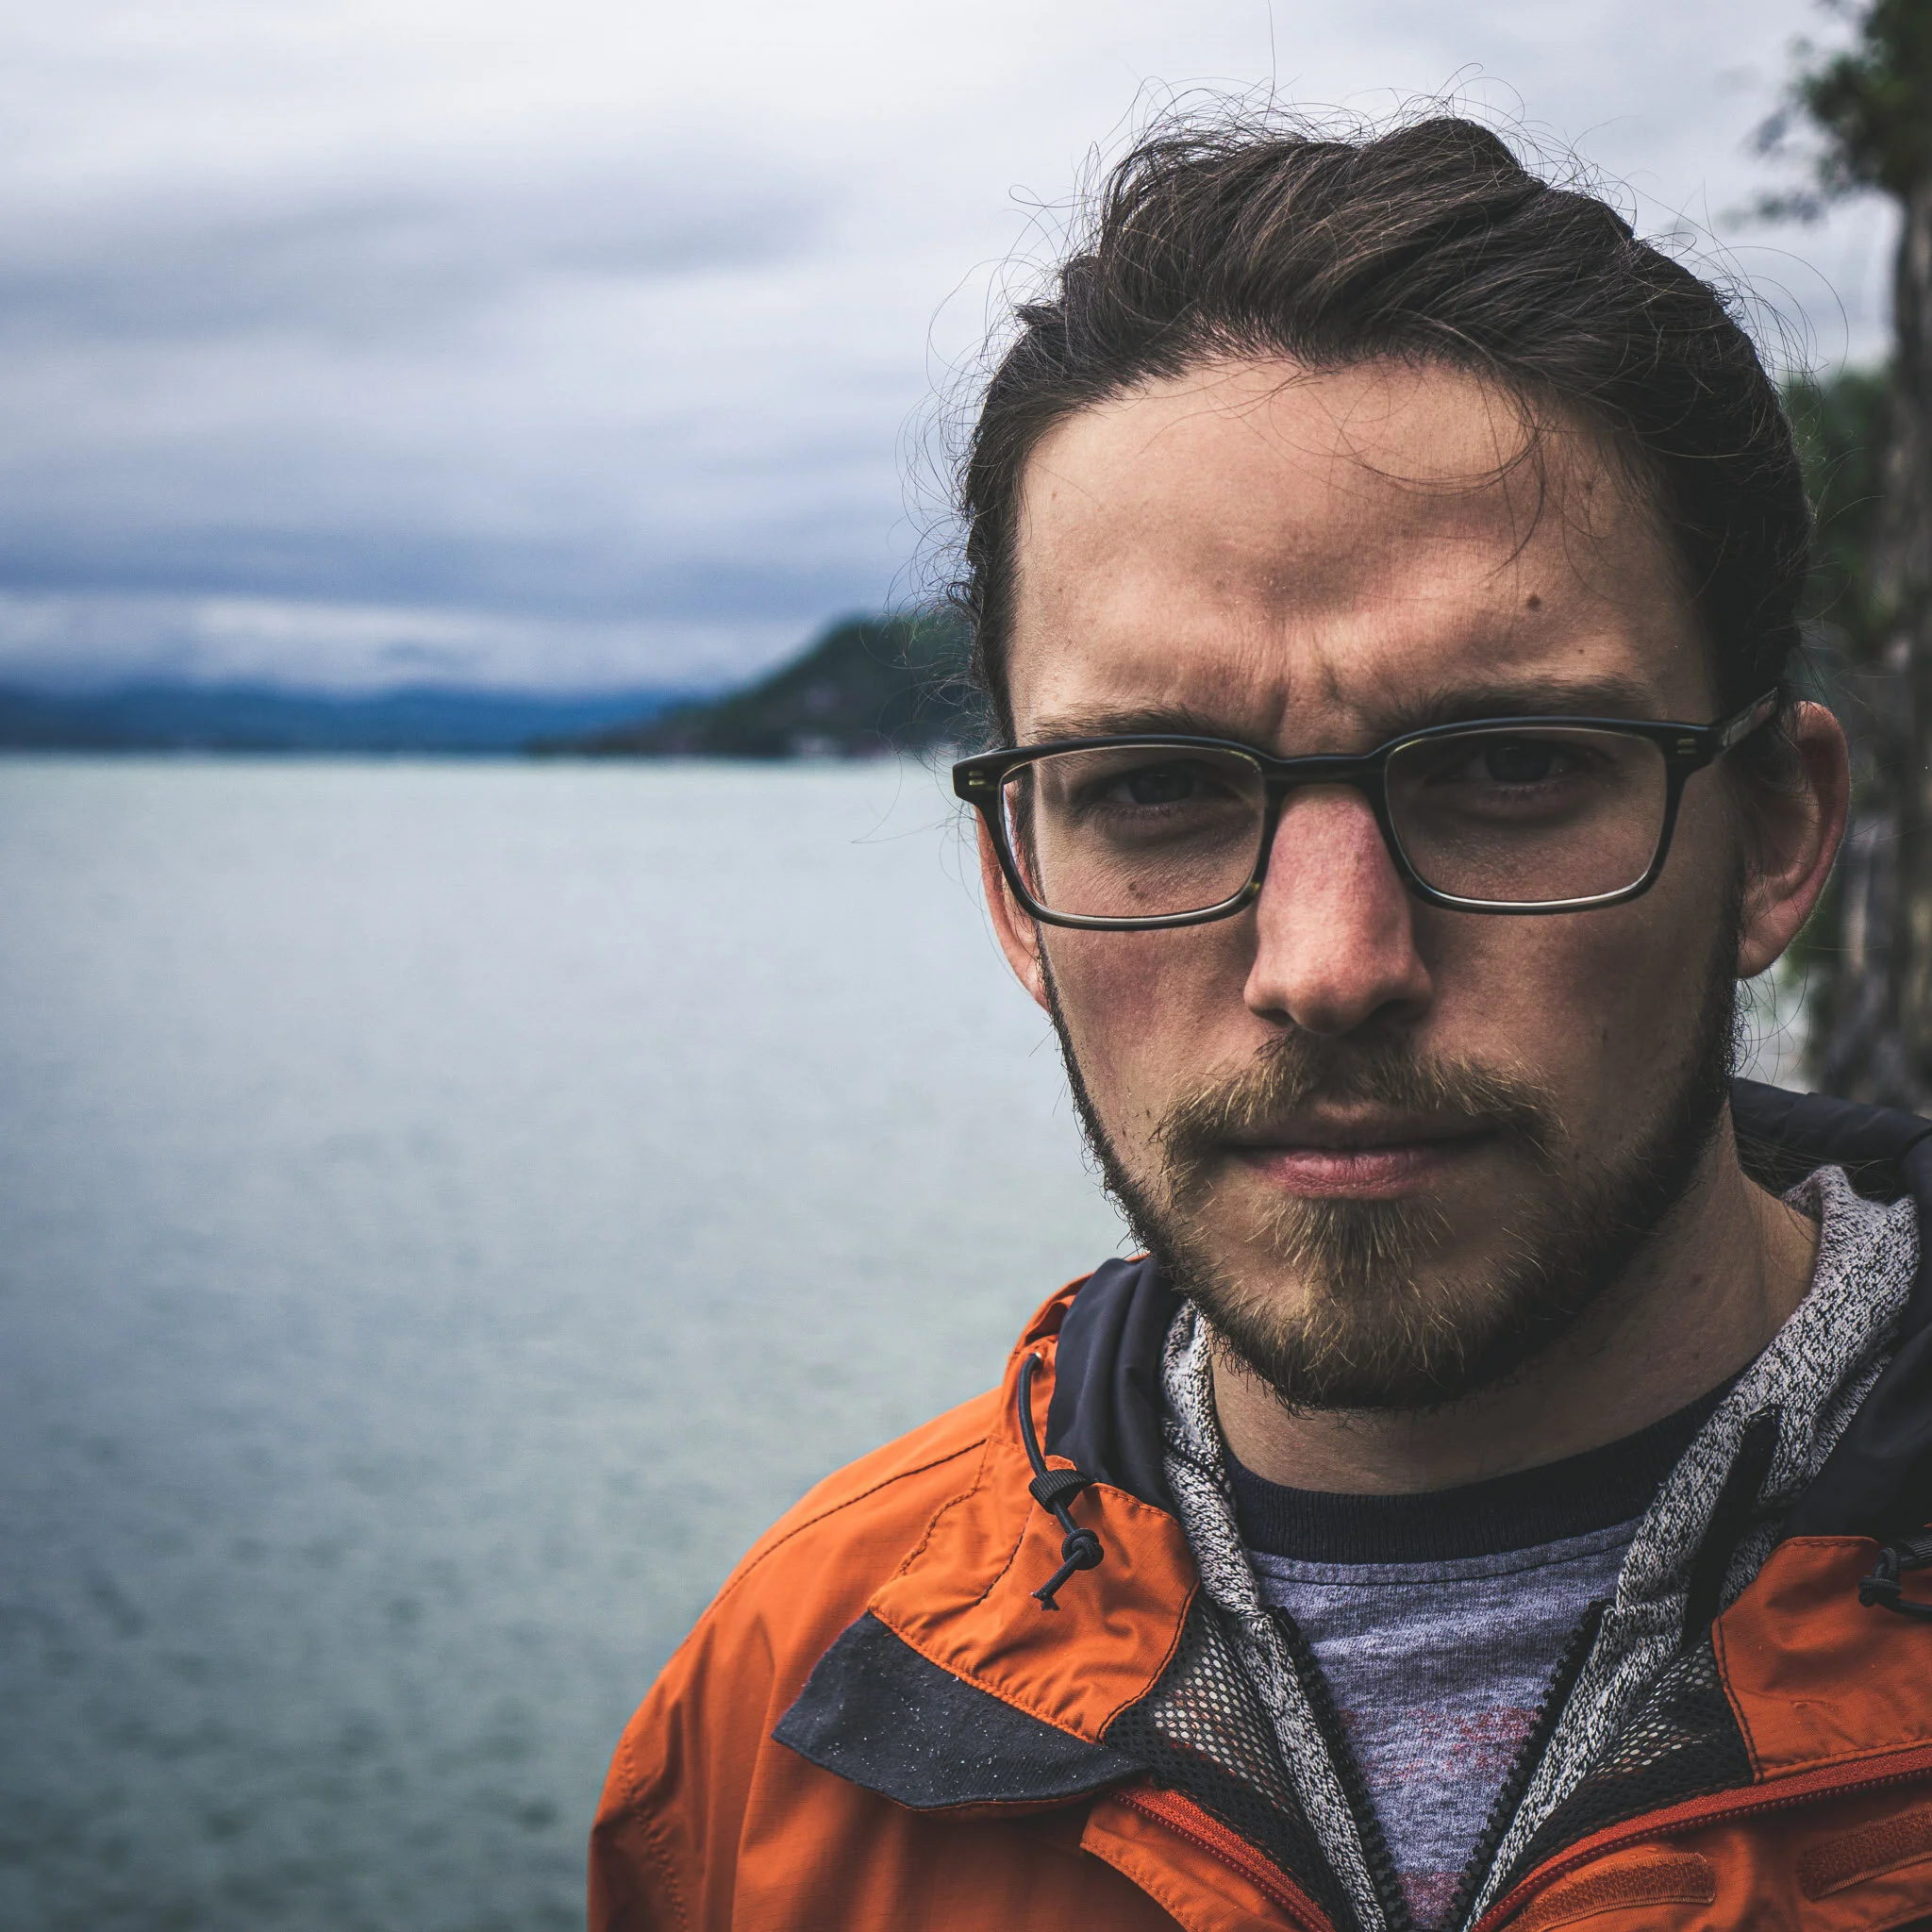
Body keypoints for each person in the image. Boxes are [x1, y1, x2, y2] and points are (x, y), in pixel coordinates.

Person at [590, 113, 1932, 1932]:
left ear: (1775, 834)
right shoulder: (792, 1703)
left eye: (1509, 766)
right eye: (1155, 789)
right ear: (1015, 888)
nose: (1327, 962)